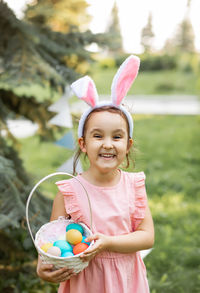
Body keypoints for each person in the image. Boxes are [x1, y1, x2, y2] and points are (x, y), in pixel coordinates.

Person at [36, 55, 154, 293]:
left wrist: (109, 243)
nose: (108, 144)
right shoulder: (69, 192)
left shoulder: (133, 186)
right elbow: (50, 242)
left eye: (117, 137)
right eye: (98, 136)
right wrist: (43, 268)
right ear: (83, 144)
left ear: (128, 145)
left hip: (125, 281)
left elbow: (146, 237)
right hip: (84, 281)